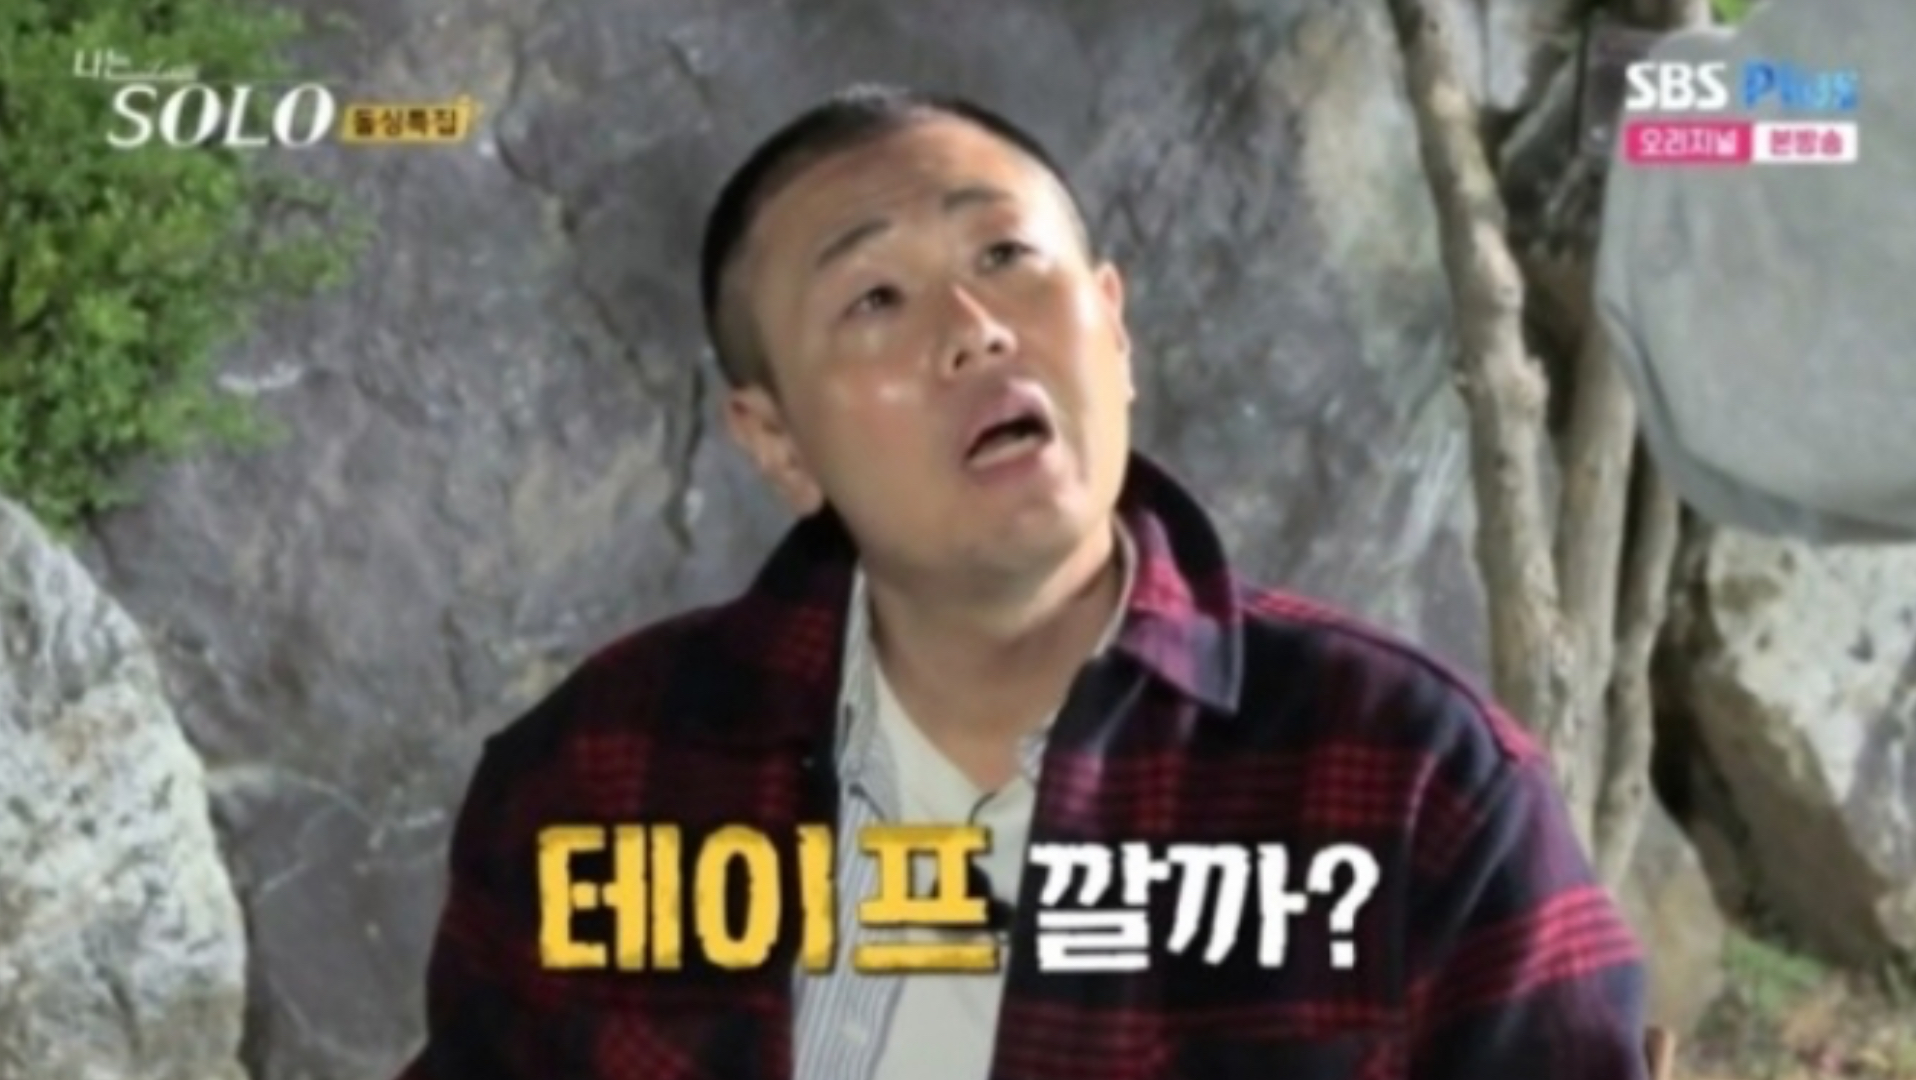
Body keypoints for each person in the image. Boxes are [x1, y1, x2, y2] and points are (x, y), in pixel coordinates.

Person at [396, 84, 1649, 1080]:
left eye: (1005, 253)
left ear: (1113, 327)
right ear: (775, 441)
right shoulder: (594, 783)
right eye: (873, 297)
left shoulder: (1415, 780)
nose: (974, 326)